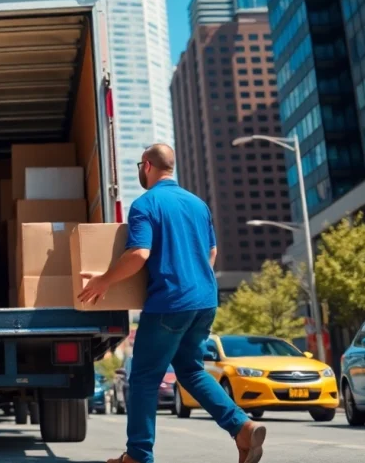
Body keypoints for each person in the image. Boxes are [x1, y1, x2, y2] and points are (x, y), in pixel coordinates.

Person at [79, 144, 266, 463]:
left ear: (148, 165)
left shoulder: (146, 204)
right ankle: (242, 428)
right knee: (191, 369)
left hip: (170, 302)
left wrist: (104, 280)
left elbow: (139, 254)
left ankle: (137, 455)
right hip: (205, 300)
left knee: (143, 377)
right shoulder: (197, 205)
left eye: (141, 164)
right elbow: (212, 254)